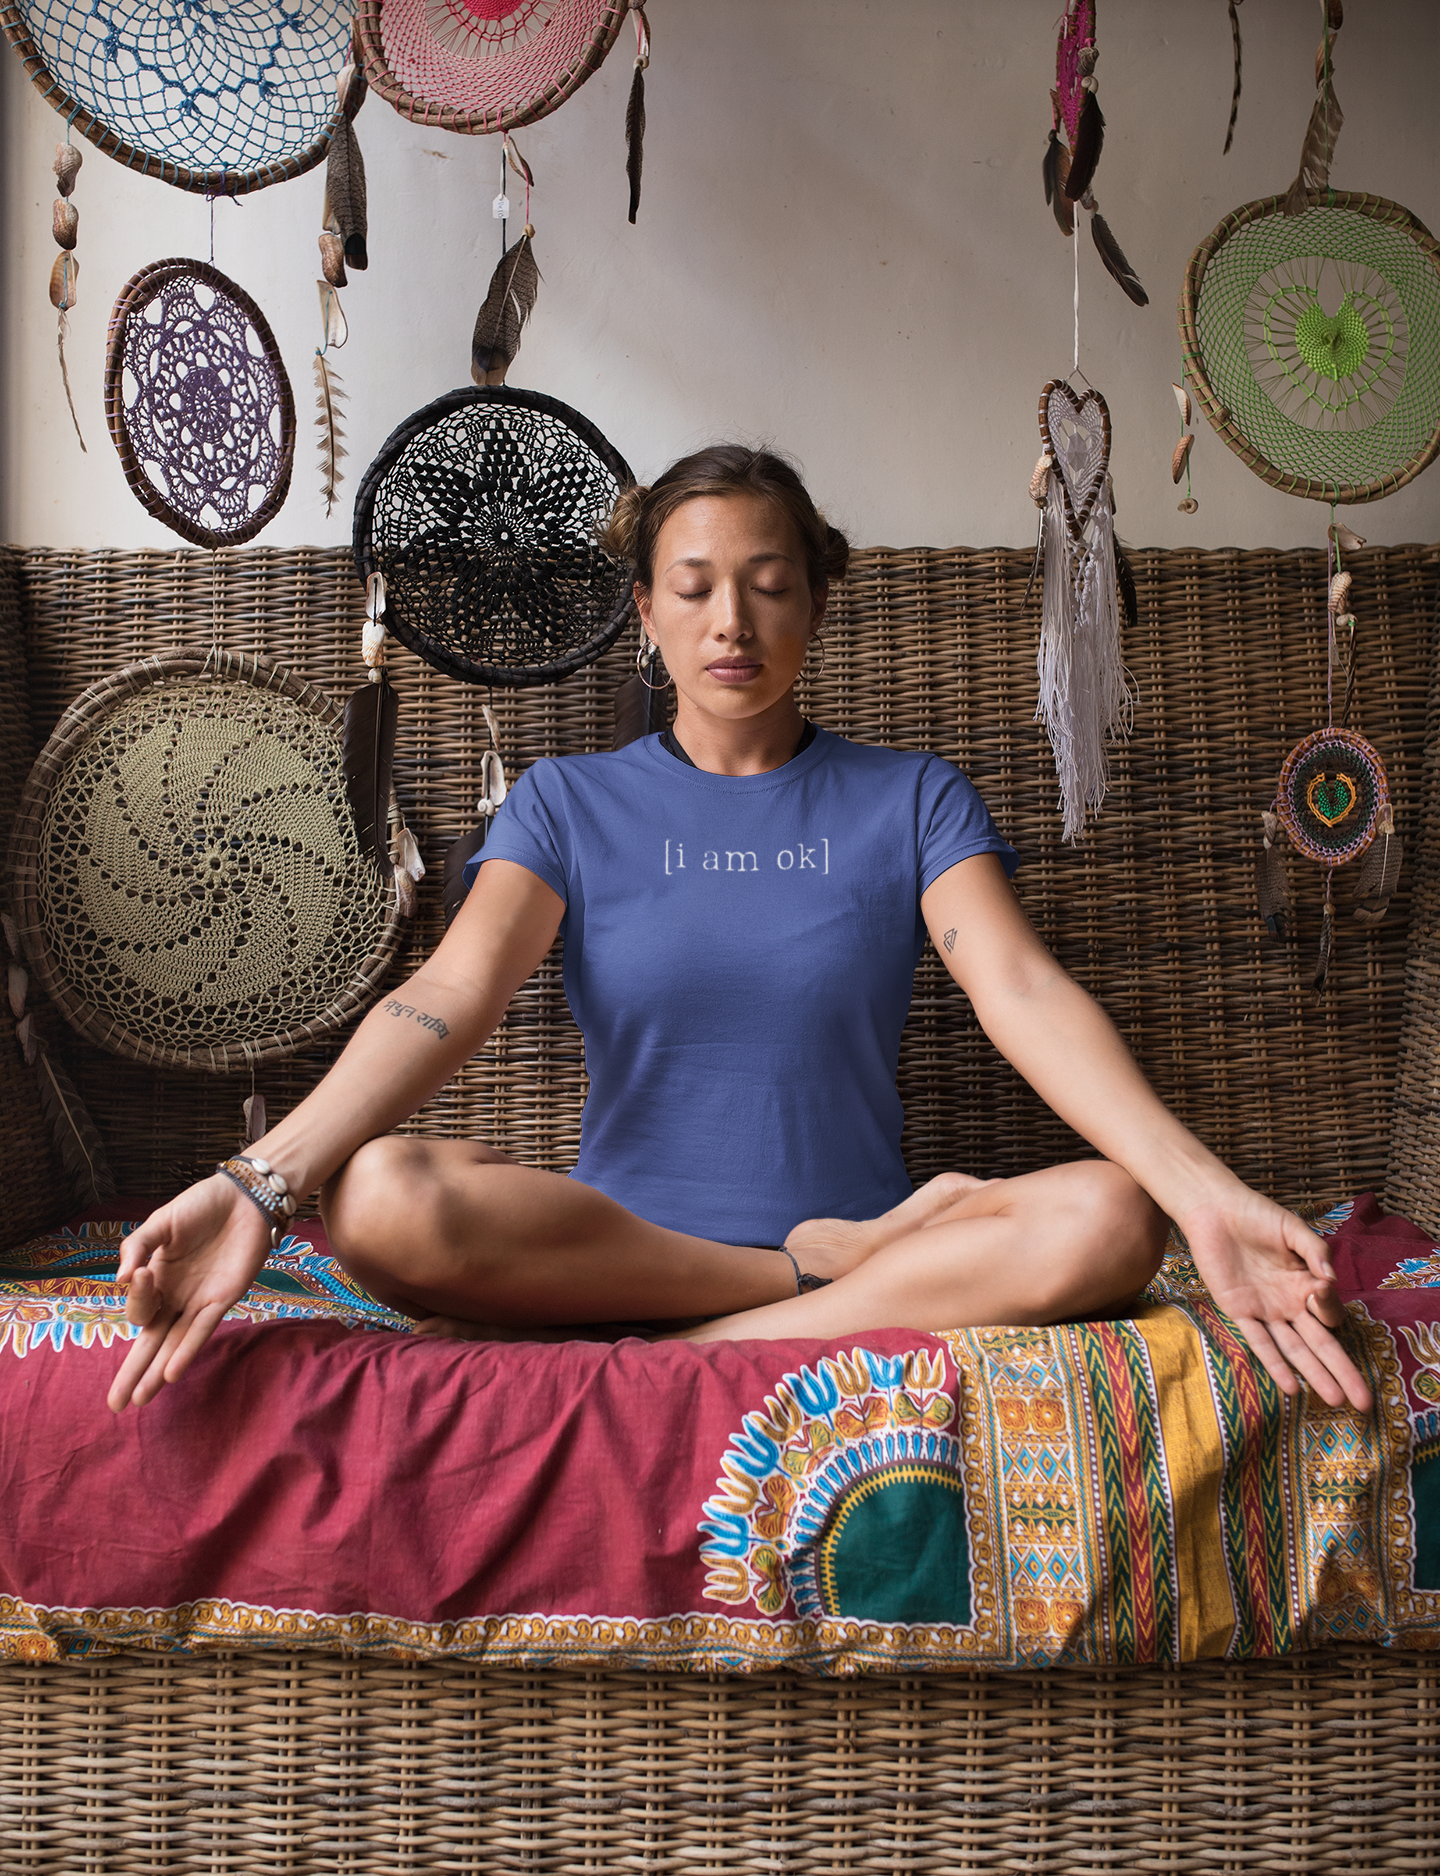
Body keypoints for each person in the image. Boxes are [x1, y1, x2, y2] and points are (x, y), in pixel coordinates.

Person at [106, 446, 1370, 1416]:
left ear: (816, 606)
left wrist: (1205, 1194)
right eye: (695, 589)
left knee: (1114, 1219)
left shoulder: (912, 798)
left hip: (892, 1257)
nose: (733, 624)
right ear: (646, 613)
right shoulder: (565, 804)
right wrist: (260, 1181)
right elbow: (447, 992)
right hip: (637, 1257)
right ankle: (799, 1287)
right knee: (380, 1197)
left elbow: (1024, 993)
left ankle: (685, 1358)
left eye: (770, 588)